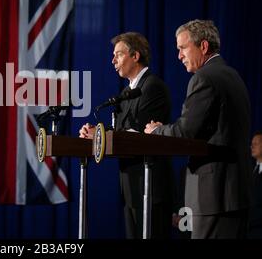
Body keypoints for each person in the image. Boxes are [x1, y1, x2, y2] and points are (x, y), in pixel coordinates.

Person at [145, 19, 251, 239]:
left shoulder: (204, 78)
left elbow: (185, 133)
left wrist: (157, 131)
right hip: (235, 194)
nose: (179, 55)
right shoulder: (233, 75)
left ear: (203, 46)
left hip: (214, 195)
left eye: (183, 48)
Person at [79, 32, 174, 239]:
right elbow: (120, 131)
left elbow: (138, 134)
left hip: (150, 187)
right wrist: (94, 134)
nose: (113, 60)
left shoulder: (152, 87)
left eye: (118, 54)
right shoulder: (127, 92)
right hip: (131, 188)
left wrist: (101, 134)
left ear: (135, 56)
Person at [249, 131, 262, 238]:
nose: (252, 146)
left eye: (256, 143)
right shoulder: (249, 169)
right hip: (247, 226)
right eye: (251, 143)